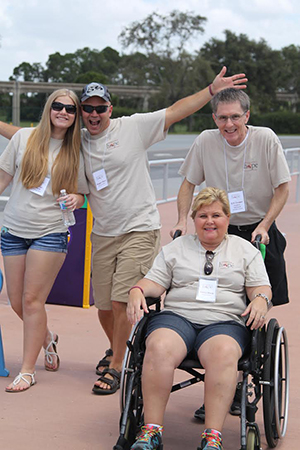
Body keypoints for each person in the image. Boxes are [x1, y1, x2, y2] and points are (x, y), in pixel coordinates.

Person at [0, 67, 248, 395]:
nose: (92, 113)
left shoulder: (132, 127)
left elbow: (176, 111)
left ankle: (117, 365)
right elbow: (29, 136)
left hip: (138, 228)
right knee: (104, 306)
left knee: (120, 302)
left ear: (109, 109)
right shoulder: (77, 142)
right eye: (85, 108)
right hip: (103, 232)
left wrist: (211, 91)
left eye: (98, 107)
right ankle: (116, 349)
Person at [171, 87, 290, 419]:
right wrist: (183, 220)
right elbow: (187, 183)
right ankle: (224, 384)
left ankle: (241, 380)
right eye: (222, 118)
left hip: (258, 231)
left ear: (246, 116)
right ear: (214, 119)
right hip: (217, 230)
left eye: (235, 116)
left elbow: (282, 187)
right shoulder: (206, 141)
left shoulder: (265, 139)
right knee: (218, 305)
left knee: (256, 305)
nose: (229, 124)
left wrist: (266, 223)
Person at [127, 187, 271, 450]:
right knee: (158, 346)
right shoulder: (176, 248)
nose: (210, 221)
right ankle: (150, 431)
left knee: (224, 352)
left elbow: (260, 288)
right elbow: (154, 283)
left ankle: (212, 436)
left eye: (216, 214)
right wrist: (137, 290)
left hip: (224, 321)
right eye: (203, 215)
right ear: (194, 219)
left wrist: (261, 299)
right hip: (177, 317)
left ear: (228, 217)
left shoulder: (244, 250)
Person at [0, 89, 89, 392]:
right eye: (58, 106)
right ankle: (47, 336)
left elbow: (83, 191)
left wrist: (76, 198)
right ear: (49, 108)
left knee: (31, 300)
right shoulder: (23, 139)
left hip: (49, 232)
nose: (63, 112)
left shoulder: (78, 148)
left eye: (70, 108)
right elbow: (3, 178)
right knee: (16, 301)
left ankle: (27, 370)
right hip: (13, 229)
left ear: (76, 116)